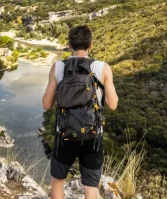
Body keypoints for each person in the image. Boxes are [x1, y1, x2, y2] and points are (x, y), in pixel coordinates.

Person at [42, 26, 118, 199]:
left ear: (69, 44)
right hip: (93, 136)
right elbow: (112, 105)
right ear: (90, 44)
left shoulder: (58, 67)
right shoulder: (103, 67)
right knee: (90, 187)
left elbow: (46, 104)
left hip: (64, 135)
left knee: (57, 180)